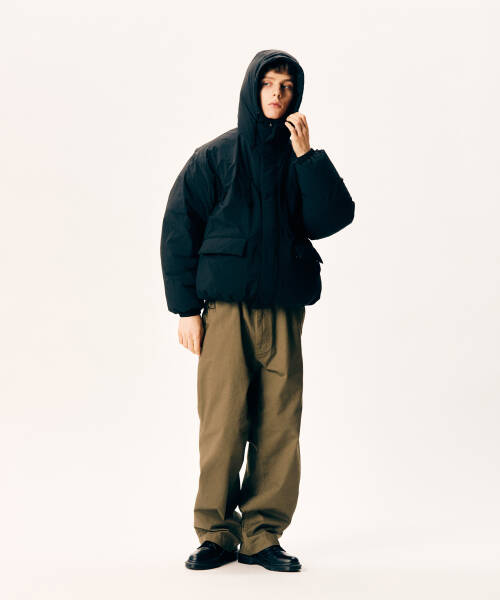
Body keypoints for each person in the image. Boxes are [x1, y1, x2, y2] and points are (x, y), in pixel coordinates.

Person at [160, 49, 355, 572]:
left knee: (279, 425)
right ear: (253, 89)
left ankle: (263, 534)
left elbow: (333, 218)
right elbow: (179, 229)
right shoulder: (216, 157)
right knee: (222, 424)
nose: (277, 93)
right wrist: (186, 310)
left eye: (287, 86)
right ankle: (216, 534)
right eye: (269, 84)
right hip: (225, 313)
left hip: (284, 313)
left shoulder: (299, 159)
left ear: (296, 95)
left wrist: (308, 157)